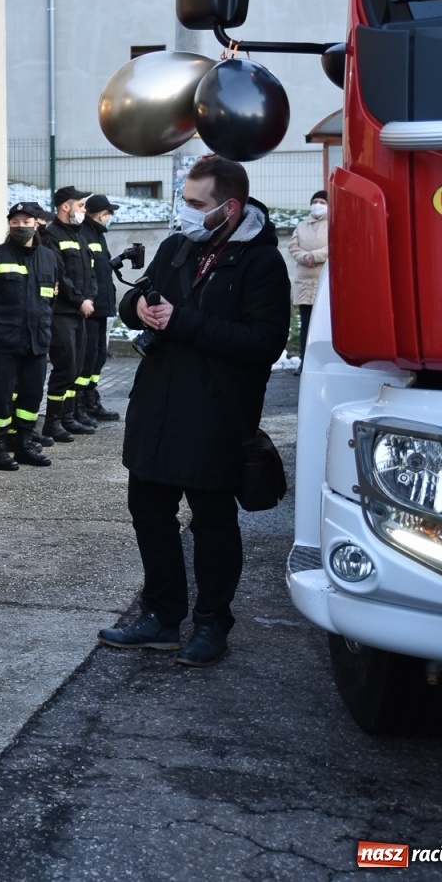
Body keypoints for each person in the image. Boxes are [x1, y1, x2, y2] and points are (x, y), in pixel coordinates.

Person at [102, 154, 290, 667]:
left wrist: (180, 321)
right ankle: (161, 618)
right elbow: (137, 301)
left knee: (212, 523)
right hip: (158, 408)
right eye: (183, 201)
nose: (185, 212)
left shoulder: (261, 261)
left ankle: (211, 623)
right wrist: (135, 308)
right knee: (150, 514)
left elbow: (264, 343)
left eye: (195, 204)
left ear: (228, 208)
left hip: (216, 416)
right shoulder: (178, 246)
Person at [0, 202, 59, 471]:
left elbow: (50, 299)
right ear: (9, 225)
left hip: (37, 341)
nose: (21, 226)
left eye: (26, 221)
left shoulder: (48, 257)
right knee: (1, 397)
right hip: (3, 342)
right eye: (15, 222)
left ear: (37, 223)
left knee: (31, 397)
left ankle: (24, 444)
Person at [40, 185, 97, 442]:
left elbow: (91, 272)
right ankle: (53, 421)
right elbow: (59, 276)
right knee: (65, 365)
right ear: (66, 207)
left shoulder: (79, 235)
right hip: (62, 312)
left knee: (76, 366)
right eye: (81, 205)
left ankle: (69, 416)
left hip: (79, 312)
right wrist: (78, 301)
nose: (83, 210)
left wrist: (90, 298)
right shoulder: (51, 235)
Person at [79, 193, 122, 422]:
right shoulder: (85, 235)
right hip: (92, 307)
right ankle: (82, 403)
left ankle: (90, 398)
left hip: (101, 306)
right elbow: (87, 273)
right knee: (89, 356)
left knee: (98, 356)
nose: (109, 218)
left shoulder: (97, 235)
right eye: (108, 214)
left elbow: (101, 268)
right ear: (100, 215)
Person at [289, 189, 329, 364]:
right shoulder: (301, 226)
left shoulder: (333, 224)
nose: (317, 205)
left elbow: (334, 246)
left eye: (322, 202)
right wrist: (303, 257)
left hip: (324, 281)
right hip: (304, 281)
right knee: (306, 324)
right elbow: (293, 247)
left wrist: (315, 256)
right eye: (315, 202)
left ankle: (322, 362)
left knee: (324, 327)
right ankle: (304, 362)